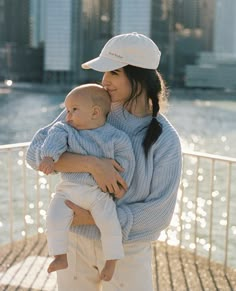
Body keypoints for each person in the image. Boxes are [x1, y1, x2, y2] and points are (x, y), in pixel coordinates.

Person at [27, 32, 182, 291]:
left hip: (127, 251)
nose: (104, 81)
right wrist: (92, 164)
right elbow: (35, 154)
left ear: (139, 77)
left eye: (114, 73)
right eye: (104, 73)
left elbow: (159, 213)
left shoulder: (166, 139)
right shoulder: (92, 109)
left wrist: (92, 218)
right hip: (75, 244)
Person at [29, 84, 135, 281]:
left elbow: (126, 163)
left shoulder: (117, 137)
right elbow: (53, 140)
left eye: (73, 110)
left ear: (95, 112)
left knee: (110, 224)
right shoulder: (66, 129)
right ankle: (60, 256)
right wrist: (49, 157)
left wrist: (120, 186)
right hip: (68, 190)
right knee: (53, 218)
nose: (67, 116)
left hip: (98, 193)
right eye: (67, 110)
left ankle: (111, 259)